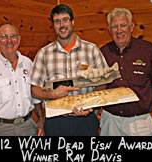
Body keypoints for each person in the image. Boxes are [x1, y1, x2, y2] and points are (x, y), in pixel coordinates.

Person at [31, 4, 108, 136]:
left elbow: (103, 82)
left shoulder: (91, 50)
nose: (62, 25)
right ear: (53, 25)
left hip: (86, 119)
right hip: (55, 121)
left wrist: (92, 107)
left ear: (73, 22)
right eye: (57, 21)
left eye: (65, 20)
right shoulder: (43, 54)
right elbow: (34, 90)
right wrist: (51, 95)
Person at [100, 8, 152, 136]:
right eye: (114, 26)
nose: (119, 31)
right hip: (110, 121)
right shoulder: (103, 53)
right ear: (109, 29)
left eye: (123, 25)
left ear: (131, 26)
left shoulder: (148, 50)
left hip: (140, 123)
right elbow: (99, 88)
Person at [0, 22, 44, 136]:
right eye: (4, 37)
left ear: (19, 39)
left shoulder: (28, 64)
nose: (9, 41)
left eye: (13, 36)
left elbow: (35, 98)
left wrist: (41, 119)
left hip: (28, 127)